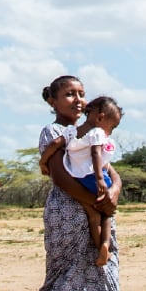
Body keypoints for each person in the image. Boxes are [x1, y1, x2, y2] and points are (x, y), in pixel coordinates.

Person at [6, 75, 146, 291]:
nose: (76, 100)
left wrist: (115, 192)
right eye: (68, 94)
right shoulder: (53, 132)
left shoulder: (95, 133)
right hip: (69, 218)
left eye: (81, 94)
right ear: (52, 100)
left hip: (101, 212)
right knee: (61, 284)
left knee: (107, 284)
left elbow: (107, 169)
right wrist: (96, 204)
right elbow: (60, 176)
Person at [58, 96, 122, 267]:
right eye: (112, 126)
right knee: (106, 214)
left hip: (78, 178)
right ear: (101, 118)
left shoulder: (73, 133)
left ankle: (98, 245)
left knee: (94, 217)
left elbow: (55, 146)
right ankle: (105, 244)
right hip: (95, 177)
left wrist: (43, 161)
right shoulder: (97, 133)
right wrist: (101, 178)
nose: (111, 131)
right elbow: (97, 156)